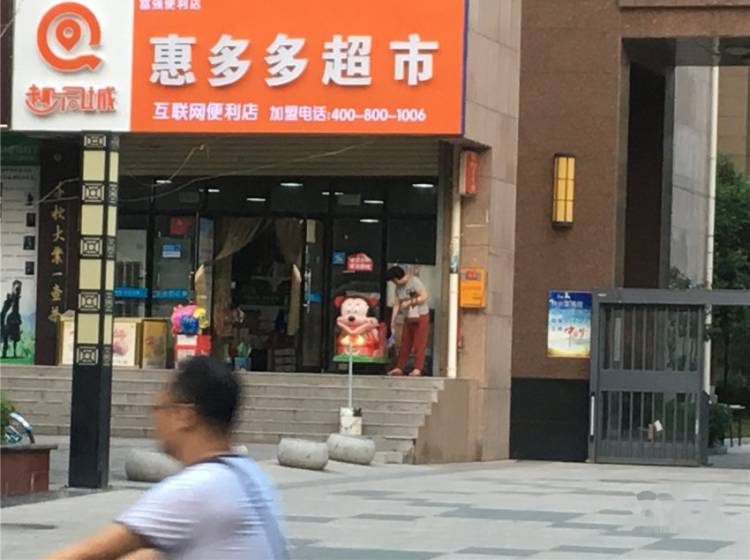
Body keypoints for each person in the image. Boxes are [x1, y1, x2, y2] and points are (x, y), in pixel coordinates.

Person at [45, 356, 287, 560]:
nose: (155, 419)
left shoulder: (195, 488)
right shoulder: (249, 474)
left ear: (184, 415)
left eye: (158, 408)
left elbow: (86, 554)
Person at [386, 266, 430, 377]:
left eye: (394, 280)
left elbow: (424, 296)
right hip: (408, 317)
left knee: (419, 343)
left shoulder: (414, 282)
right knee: (405, 343)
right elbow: (397, 304)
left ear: (397, 278)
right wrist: (392, 320)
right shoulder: (398, 288)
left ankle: (418, 368)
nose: (394, 283)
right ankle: (399, 367)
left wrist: (410, 302)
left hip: (420, 315)